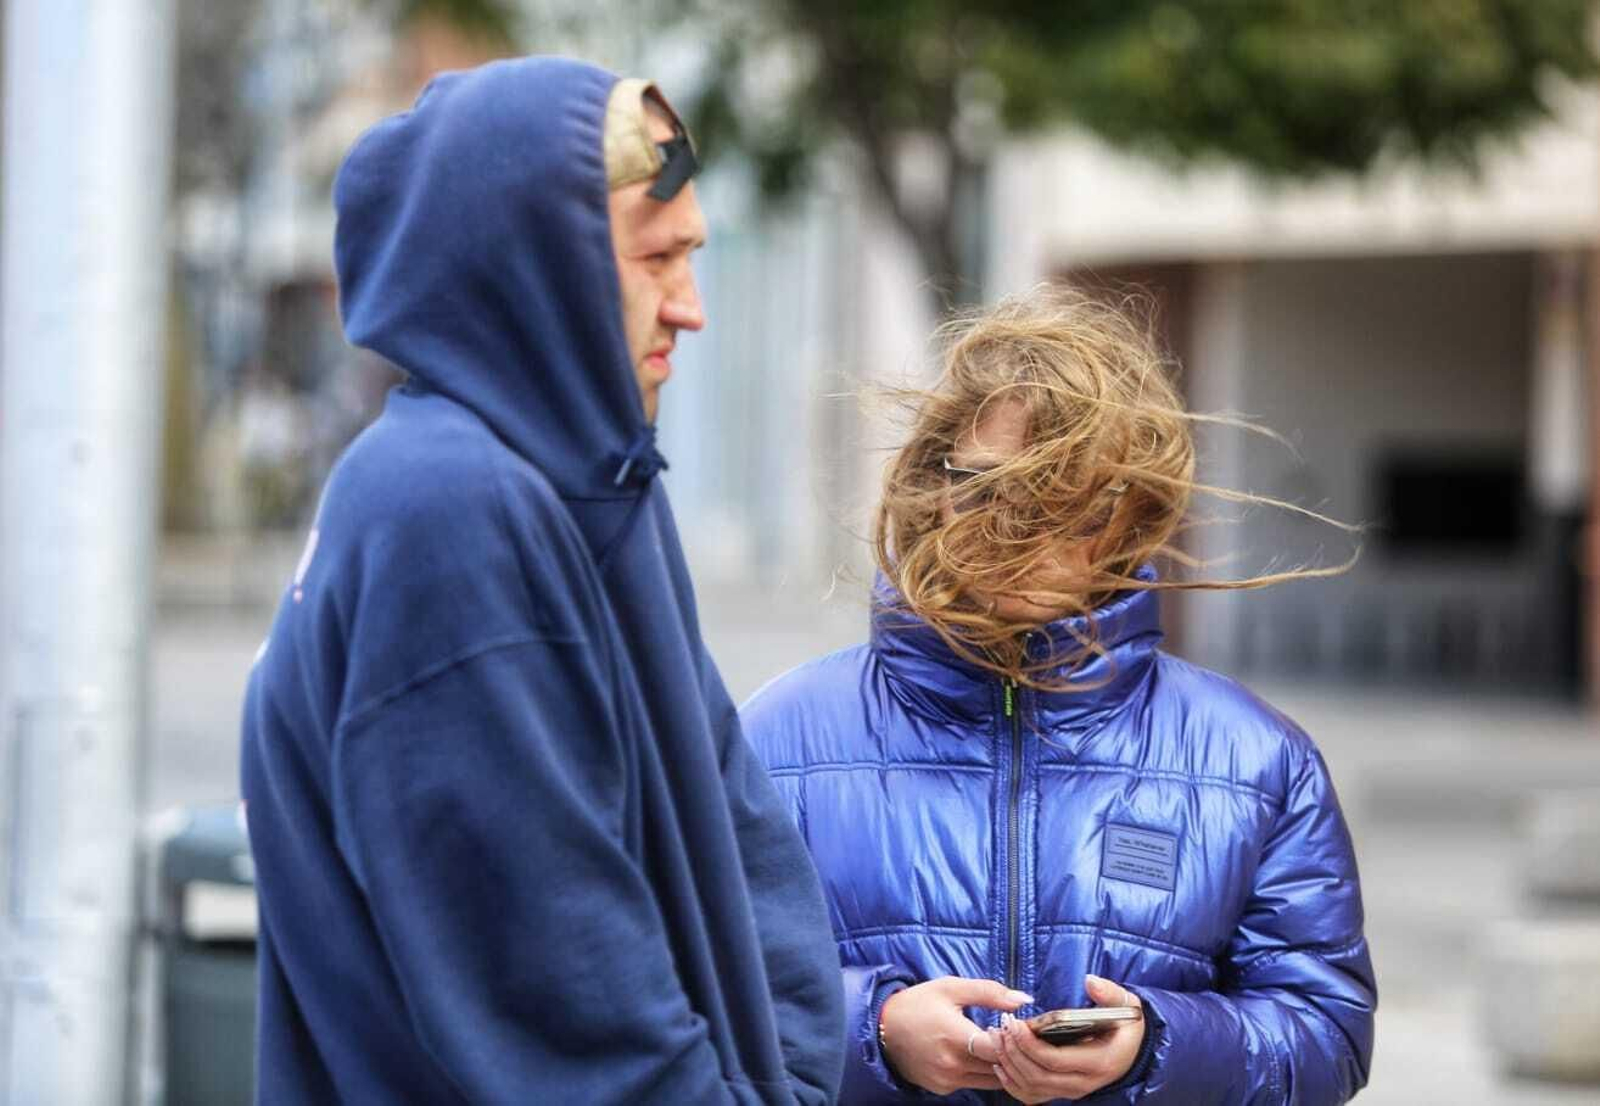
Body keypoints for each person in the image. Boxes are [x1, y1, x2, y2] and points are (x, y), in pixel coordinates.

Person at [240, 57, 845, 1104]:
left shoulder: (582, 484)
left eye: (690, 255)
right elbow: (562, 1004)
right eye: (656, 259)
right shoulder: (449, 513)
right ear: (533, 263)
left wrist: (790, 1071)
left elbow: (742, 843)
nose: (691, 308)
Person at [742, 289, 1375, 1104]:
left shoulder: (1259, 762)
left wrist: (1158, 1049)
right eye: (987, 490)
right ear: (933, 485)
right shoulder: (775, 739)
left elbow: (1326, 1034)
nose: (1017, 533)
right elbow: (688, 989)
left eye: (1064, 503)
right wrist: (874, 1030)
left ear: (1133, 515)